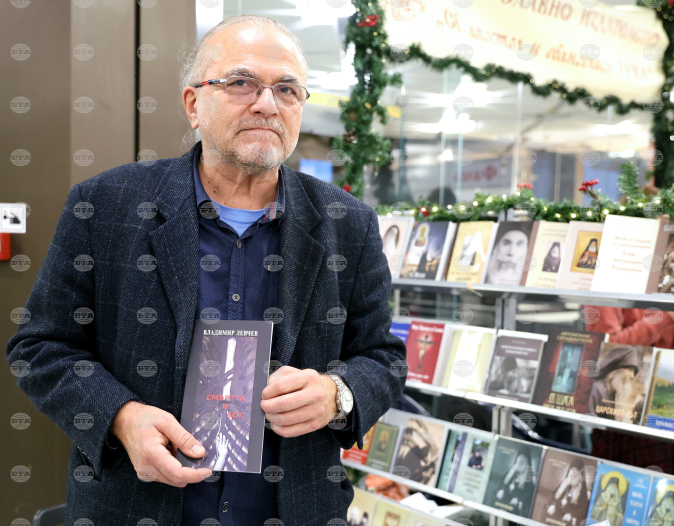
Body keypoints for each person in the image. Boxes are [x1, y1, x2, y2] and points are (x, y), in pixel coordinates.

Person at [6, 15, 406, 526]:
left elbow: (383, 357)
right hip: (136, 507)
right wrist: (121, 417)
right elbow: (40, 347)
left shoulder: (347, 223)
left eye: (287, 89)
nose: (267, 104)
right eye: (241, 83)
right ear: (193, 104)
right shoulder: (105, 206)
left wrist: (337, 394)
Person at [582, 306, 674, 474]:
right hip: (629, 412)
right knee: (639, 481)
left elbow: (661, 334)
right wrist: (665, 316)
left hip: (668, 396)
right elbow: (608, 347)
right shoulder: (605, 293)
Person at [588, 345, 641, 423]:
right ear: (617, 369)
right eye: (630, 370)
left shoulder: (614, 392)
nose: (632, 376)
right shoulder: (596, 389)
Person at [545, 458, 589, 526]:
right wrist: (553, 504)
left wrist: (572, 514)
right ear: (569, 471)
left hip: (569, 518)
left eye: (576, 470)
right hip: (557, 514)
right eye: (572, 469)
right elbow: (553, 496)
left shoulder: (582, 489)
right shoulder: (564, 483)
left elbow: (582, 508)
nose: (573, 473)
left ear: (580, 474)